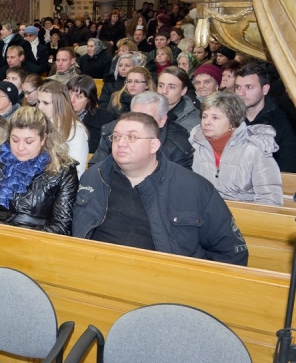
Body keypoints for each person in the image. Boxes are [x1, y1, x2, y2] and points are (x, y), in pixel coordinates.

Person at [73, 111, 249, 265]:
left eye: (132, 137)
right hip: (96, 270)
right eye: (116, 137)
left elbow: (231, 252)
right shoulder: (95, 177)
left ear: (154, 146)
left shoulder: (193, 187)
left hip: (163, 280)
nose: (121, 143)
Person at [0, 105, 77, 233]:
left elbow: (61, 225)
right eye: (15, 140)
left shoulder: (63, 171)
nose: (20, 147)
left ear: (43, 139)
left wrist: (21, 241)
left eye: (29, 142)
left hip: (37, 240)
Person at [190, 92, 282, 206]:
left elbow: (270, 199)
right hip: (204, 211)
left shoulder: (254, 151)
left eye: (215, 118)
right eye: (204, 116)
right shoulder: (194, 147)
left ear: (232, 123)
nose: (207, 122)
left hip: (244, 213)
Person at [90, 91, 195, 169]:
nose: (138, 122)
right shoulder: (112, 133)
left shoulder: (177, 144)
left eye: (146, 118)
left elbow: (178, 184)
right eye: (134, 115)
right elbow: (96, 169)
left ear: (162, 120)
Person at [235, 62, 296, 172]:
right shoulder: (228, 117)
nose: (241, 93)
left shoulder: (282, 120)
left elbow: (288, 164)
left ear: (265, 89)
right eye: (238, 87)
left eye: (249, 87)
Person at [36, 80, 89, 178]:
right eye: (38, 102)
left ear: (59, 104)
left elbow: (77, 170)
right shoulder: (36, 124)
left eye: (46, 103)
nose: (39, 107)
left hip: (61, 182)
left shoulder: (76, 130)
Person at [67, 75, 116, 153]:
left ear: (89, 100)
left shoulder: (106, 119)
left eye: (78, 96)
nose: (71, 100)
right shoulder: (55, 116)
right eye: (69, 94)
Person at [157, 66, 201, 132]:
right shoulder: (147, 109)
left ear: (183, 91)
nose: (164, 91)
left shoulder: (194, 121)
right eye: (161, 86)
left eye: (172, 87)